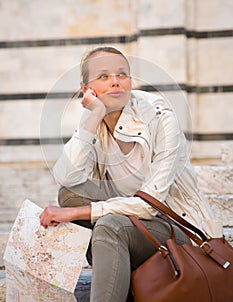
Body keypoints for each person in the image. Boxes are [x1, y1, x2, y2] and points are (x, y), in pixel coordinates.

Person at [40, 46, 222, 302]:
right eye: (103, 76)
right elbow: (66, 178)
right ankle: (120, 274)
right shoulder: (96, 117)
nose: (115, 81)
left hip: (180, 231)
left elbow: (149, 205)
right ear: (87, 89)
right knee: (71, 195)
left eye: (122, 74)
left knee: (109, 226)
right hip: (128, 223)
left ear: (130, 80)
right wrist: (93, 116)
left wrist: (78, 213)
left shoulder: (160, 117)